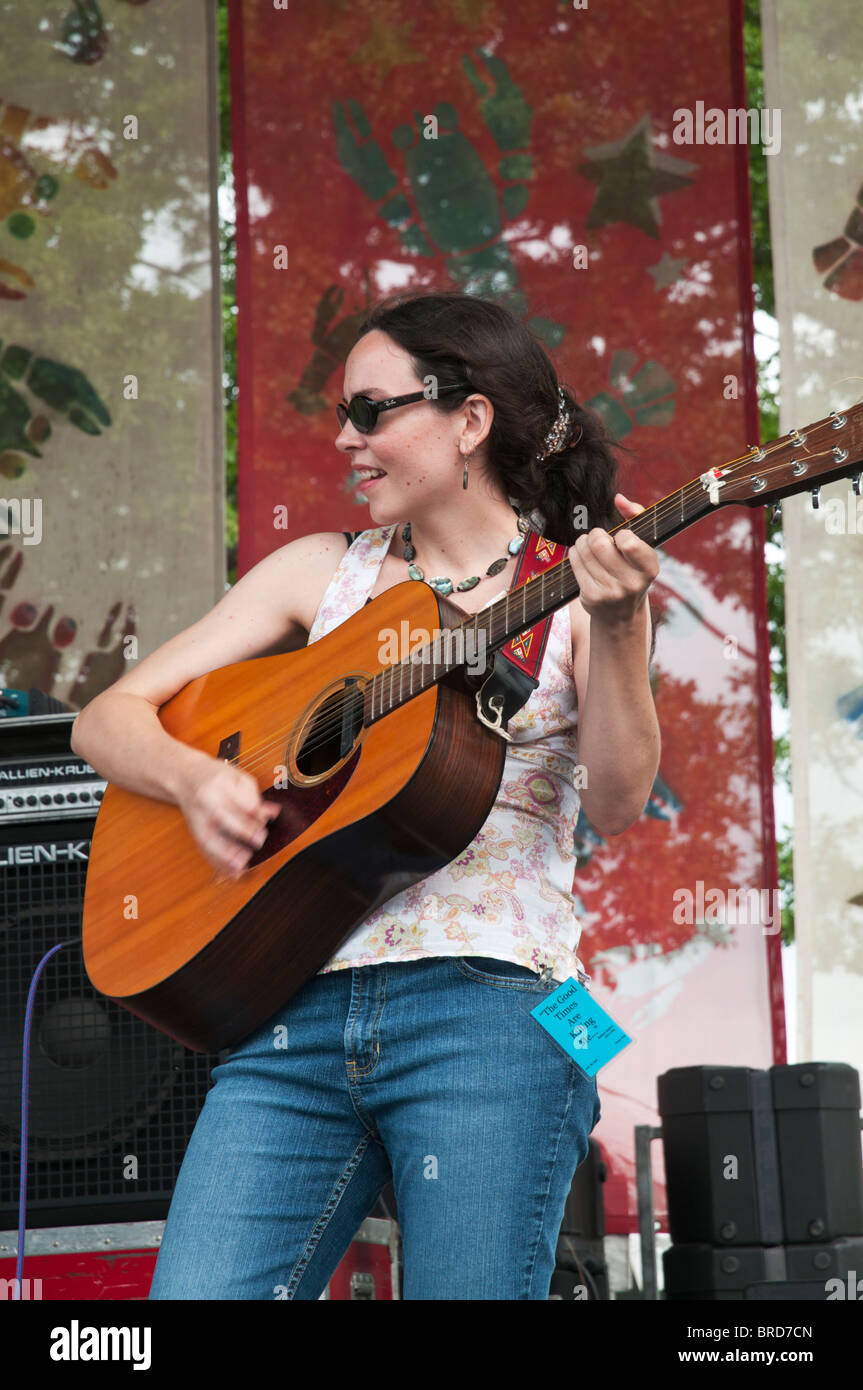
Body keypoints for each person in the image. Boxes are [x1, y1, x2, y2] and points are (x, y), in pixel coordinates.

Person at [71, 288, 661, 1300]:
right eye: (343, 412)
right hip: (287, 1008)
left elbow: (614, 800)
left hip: (496, 1011)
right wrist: (198, 777)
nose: (346, 438)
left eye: (371, 411)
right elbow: (106, 719)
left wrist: (618, 624)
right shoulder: (319, 574)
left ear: (467, 420)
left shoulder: (570, 589)